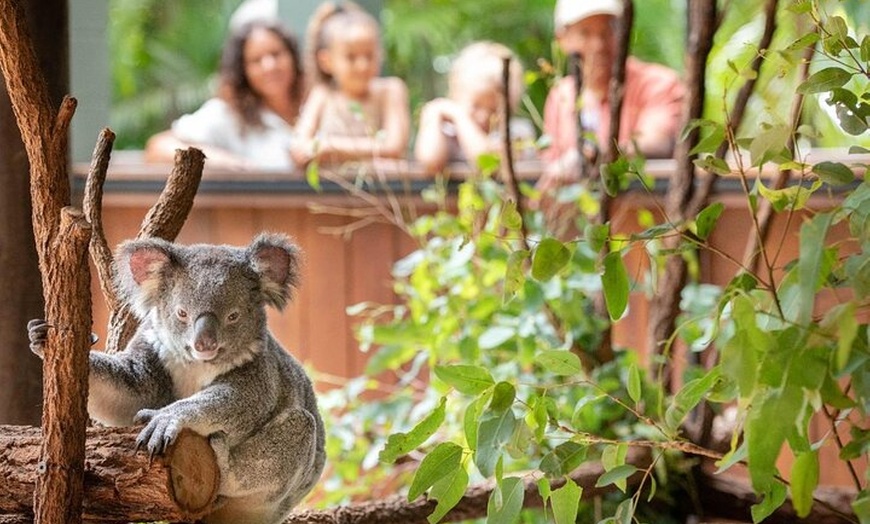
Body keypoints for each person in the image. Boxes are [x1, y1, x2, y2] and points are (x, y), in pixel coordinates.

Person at [537, 0, 685, 191]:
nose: (599, 44)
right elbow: (550, 162)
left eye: (609, 29)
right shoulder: (561, 96)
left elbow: (656, 142)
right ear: (562, 40)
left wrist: (592, 156)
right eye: (585, 33)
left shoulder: (658, 84)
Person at [144, 19, 304, 171]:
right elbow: (158, 147)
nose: (269, 66)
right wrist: (222, 160)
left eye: (276, 54)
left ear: (293, 56)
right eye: (256, 60)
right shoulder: (229, 115)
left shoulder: (314, 105)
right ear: (243, 71)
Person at [289, 1, 410, 167]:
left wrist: (328, 147)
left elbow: (393, 146)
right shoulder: (322, 95)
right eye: (351, 57)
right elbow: (298, 147)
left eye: (369, 55)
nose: (363, 66)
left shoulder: (391, 90)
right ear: (326, 61)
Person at [414, 41, 537, 174]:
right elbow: (431, 161)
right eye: (475, 106)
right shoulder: (447, 132)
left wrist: (460, 117)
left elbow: (486, 163)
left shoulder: (517, 133)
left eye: (494, 109)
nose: (483, 116)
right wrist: (433, 114)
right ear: (455, 96)